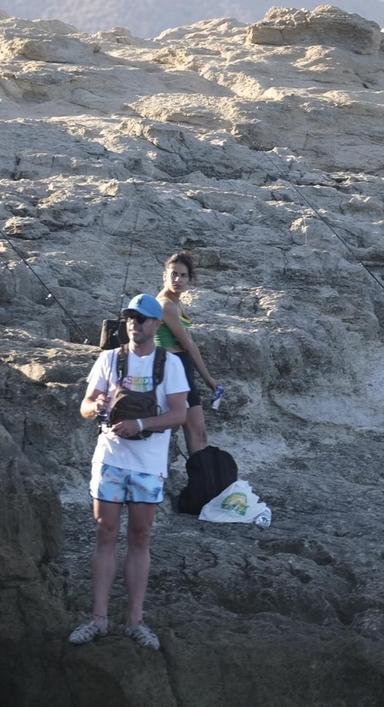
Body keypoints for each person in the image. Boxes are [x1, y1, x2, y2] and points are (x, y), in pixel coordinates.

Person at [70, 294, 190, 651]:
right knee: (104, 534)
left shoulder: (170, 364)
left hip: (149, 466)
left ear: (156, 324)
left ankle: (135, 621)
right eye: (130, 318)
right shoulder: (108, 359)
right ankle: (98, 619)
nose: (134, 323)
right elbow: (85, 406)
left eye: (142, 318)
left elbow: (179, 414)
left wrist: (139, 423)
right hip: (109, 460)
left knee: (140, 537)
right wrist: (97, 407)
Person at [157, 251, 221, 456]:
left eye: (183, 275)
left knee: (200, 433)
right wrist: (207, 378)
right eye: (174, 274)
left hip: (184, 367)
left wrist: (207, 377)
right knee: (195, 434)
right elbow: (187, 344)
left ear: (189, 279)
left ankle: (204, 480)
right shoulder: (165, 304)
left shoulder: (177, 303)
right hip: (173, 369)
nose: (178, 279)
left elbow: (190, 343)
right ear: (164, 275)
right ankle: (200, 483)